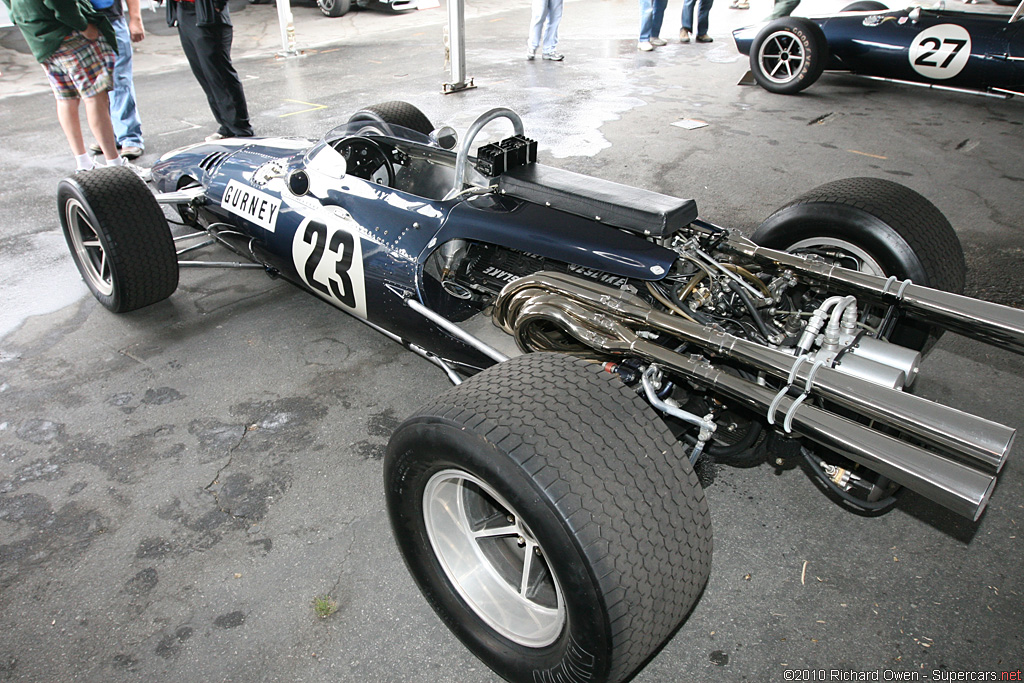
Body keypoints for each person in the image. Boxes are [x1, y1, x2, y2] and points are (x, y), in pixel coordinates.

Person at [2, 0, 146, 174]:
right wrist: (83, 26)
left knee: (66, 98)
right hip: (67, 33)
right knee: (95, 96)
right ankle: (115, 164)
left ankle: (83, 162)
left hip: (40, 36)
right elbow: (60, 4)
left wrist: (20, 17)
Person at [163, 0, 254, 140]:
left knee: (218, 73)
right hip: (184, 10)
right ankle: (227, 125)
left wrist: (217, 5)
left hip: (206, 9)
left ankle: (240, 128)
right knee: (203, 73)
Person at [87, 0, 146, 159]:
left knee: (120, 81)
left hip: (111, 20)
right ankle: (107, 135)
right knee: (95, 85)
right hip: (83, 24)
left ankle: (129, 137)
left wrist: (135, 19)